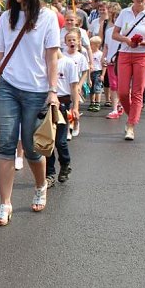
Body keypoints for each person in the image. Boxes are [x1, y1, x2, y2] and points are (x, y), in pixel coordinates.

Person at [0, 0, 60, 225]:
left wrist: (53, 91)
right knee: (6, 145)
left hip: (36, 90)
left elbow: (51, 56)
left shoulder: (47, 17)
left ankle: (40, 185)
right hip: (7, 87)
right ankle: (4, 204)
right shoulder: (6, 17)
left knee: (32, 149)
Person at [112, 0, 145, 141]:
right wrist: (126, 39)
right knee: (123, 92)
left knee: (138, 92)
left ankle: (131, 126)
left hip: (143, 56)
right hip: (125, 54)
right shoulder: (125, 13)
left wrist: (142, 43)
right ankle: (131, 114)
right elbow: (115, 34)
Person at [46, 29, 81, 188]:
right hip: (47, 104)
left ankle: (65, 163)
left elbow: (74, 87)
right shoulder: (44, 62)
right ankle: (50, 173)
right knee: (48, 140)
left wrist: (75, 107)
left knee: (60, 141)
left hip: (63, 104)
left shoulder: (68, 63)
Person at [87, 36, 104, 112]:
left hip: (98, 72)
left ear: (97, 45)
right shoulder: (89, 54)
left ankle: (97, 103)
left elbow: (104, 65)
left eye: (91, 44)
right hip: (91, 72)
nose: (90, 46)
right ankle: (92, 102)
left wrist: (103, 74)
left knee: (97, 88)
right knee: (91, 88)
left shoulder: (100, 54)